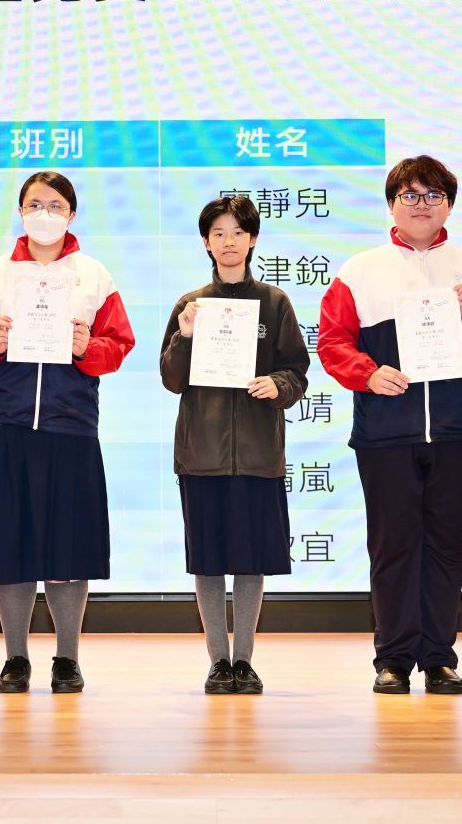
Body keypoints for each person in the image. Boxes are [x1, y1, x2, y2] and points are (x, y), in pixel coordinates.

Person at [317, 155, 462, 696]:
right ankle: (394, 658)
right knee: (393, 545)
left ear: (448, 205)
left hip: (454, 430)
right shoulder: (361, 270)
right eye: (409, 195)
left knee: (447, 543)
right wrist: (368, 373)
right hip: (385, 432)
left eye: (432, 195)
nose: (421, 204)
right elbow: (332, 342)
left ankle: (440, 658)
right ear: (391, 205)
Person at [0, 171, 135, 694]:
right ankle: (15, 658)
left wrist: (86, 348)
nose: (44, 214)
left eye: (55, 205)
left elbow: (119, 345)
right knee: (8, 543)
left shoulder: (93, 276)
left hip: (69, 425)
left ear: (71, 214)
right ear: (20, 211)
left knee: (68, 546)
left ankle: (67, 658)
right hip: (3, 424)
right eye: (35, 204)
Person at [159, 195, 309, 695]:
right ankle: (217, 662)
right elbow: (172, 380)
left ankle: (244, 661)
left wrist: (278, 385)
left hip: (258, 455)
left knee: (250, 561)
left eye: (237, 232)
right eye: (218, 233)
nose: (228, 241)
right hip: (201, 454)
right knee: (207, 562)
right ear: (206, 242)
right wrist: (184, 336)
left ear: (253, 239)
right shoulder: (191, 305)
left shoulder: (275, 302)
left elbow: (297, 370)